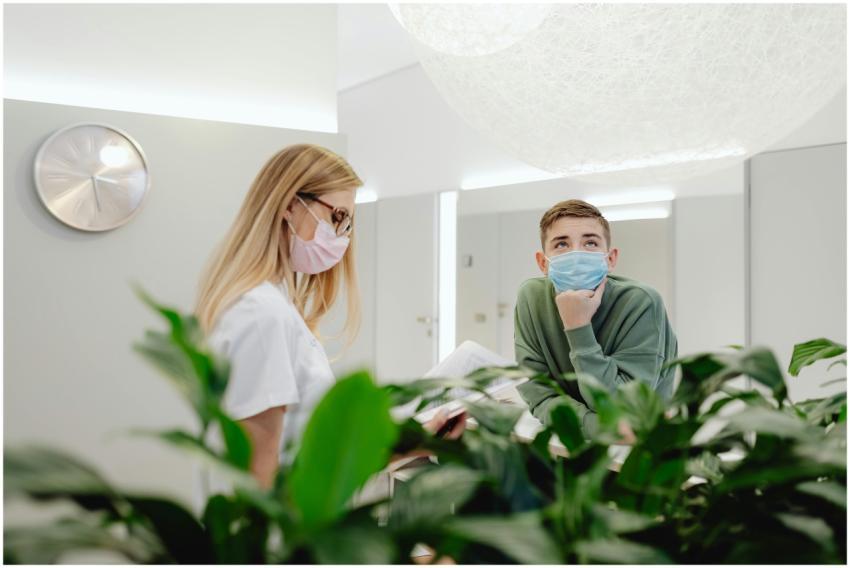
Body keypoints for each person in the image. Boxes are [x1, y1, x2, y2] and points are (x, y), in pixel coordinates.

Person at [195, 144, 463, 489]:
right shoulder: (262, 315)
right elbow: (259, 482)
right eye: (337, 217)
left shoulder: (273, 306)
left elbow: (311, 459)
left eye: (348, 223)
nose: (342, 236)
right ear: (290, 205)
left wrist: (412, 444)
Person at [514, 199, 678, 437]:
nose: (577, 254)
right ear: (542, 263)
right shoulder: (531, 297)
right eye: (562, 244)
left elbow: (624, 409)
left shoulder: (641, 302)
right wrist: (598, 427)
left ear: (610, 259)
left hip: (641, 448)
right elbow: (538, 393)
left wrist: (578, 326)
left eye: (590, 243)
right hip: (578, 442)